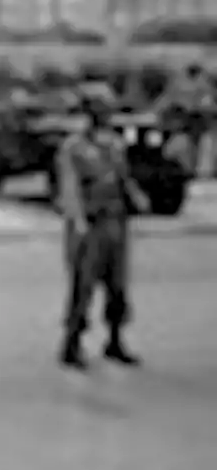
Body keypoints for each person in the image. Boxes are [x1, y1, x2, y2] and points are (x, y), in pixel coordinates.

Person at [54, 90, 151, 370]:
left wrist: (136, 196)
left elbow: (123, 177)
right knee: (82, 285)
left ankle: (115, 339)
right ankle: (71, 342)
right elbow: (70, 187)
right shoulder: (73, 147)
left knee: (118, 284)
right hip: (90, 223)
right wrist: (79, 220)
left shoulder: (115, 145)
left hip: (115, 220)